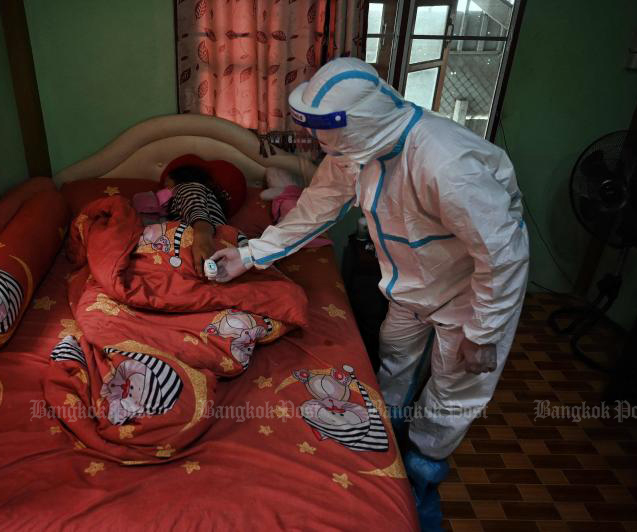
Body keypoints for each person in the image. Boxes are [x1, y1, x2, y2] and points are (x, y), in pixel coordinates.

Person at [211, 57, 529, 529]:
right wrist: (252, 254)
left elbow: (500, 255)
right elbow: (315, 209)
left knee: (453, 388)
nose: (321, 146)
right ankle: (387, 442)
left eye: (326, 134)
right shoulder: (355, 150)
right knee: (393, 357)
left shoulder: (446, 163)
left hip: (471, 292)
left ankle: (423, 478)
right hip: (409, 282)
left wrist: (484, 332)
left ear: (355, 124)